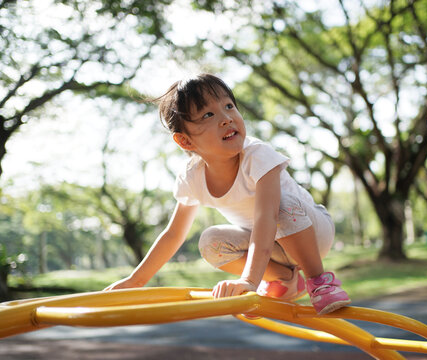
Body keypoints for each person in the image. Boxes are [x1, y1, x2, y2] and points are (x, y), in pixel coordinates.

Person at [105, 73, 351, 315]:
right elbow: (173, 234)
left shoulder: (257, 155)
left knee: (280, 207)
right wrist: (135, 281)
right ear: (185, 141)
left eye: (229, 106)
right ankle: (286, 279)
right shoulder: (193, 176)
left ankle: (319, 280)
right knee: (211, 242)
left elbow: (266, 217)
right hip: (268, 243)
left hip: (311, 232)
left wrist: (249, 281)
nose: (226, 118)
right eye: (208, 114)